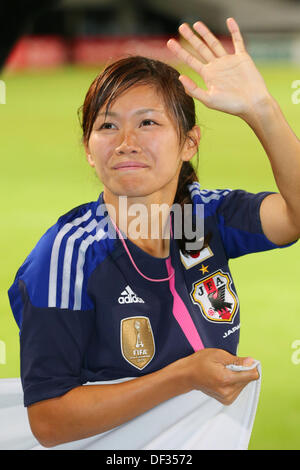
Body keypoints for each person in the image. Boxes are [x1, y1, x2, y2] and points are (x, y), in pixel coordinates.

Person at [8, 17, 299, 449]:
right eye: (107, 126)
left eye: (148, 123)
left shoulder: (204, 216)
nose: (126, 140)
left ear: (189, 142)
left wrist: (261, 108)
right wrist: (183, 377)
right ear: (89, 150)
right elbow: (49, 421)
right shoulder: (66, 254)